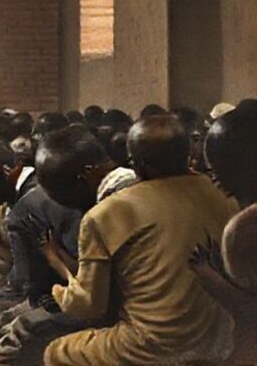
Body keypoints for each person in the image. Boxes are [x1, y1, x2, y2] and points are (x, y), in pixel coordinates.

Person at [43, 116, 236, 365]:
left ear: (137, 165)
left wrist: (59, 286)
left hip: (151, 346)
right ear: (188, 154)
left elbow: (90, 306)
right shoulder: (225, 196)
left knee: (57, 352)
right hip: (219, 343)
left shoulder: (106, 214)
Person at [192, 106, 257, 363]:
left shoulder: (244, 229)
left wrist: (207, 275)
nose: (212, 177)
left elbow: (250, 313)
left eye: (214, 168)